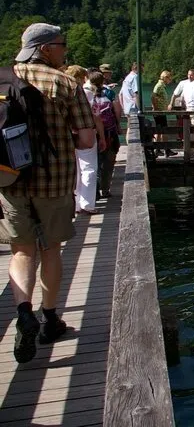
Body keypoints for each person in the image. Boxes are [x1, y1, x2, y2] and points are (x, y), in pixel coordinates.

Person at [1, 23, 95, 364]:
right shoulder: (65, 83)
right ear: (44, 49)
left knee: (21, 251)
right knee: (51, 248)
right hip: (53, 182)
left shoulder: (3, 78)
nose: (64, 49)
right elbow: (86, 140)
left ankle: (23, 312)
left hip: (10, 179)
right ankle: (50, 318)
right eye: (61, 44)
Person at [64, 66, 107, 215]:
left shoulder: (64, 93)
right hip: (86, 133)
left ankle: (76, 204)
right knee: (89, 168)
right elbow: (96, 117)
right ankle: (87, 204)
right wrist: (102, 137)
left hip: (69, 134)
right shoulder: (86, 93)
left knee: (76, 170)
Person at [89, 71, 121, 198]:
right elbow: (117, 109)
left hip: (93, 133)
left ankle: (95, 191)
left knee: (95, 162)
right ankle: (106, 189)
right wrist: (118, 125)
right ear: (103, 81)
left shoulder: (87, 94)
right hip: (109, 132)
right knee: (109, 160)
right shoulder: (109, 93)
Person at [151, 70, 175, 157]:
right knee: (163, 131)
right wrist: (155, 108)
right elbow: (153, 97)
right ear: (165, 78)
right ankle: (165, 149)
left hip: (161, 111)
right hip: (159, 112)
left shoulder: (162, 86)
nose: (170, 80)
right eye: (169, 78)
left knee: (160, 131)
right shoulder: (159, 85)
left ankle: (158, 150)